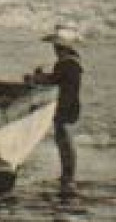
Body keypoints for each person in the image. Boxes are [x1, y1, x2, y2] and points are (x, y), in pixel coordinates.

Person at [28, 21, 84, 191]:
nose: (55, 50)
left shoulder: (65, 64)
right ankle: (67, 175)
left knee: (64, 141)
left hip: (65, 105)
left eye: (57, 47)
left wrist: (38, 78)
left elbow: (53, 80)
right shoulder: (73, 63)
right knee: (64, 140)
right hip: (70, 103)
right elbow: (57, 79)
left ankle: (69, 176)